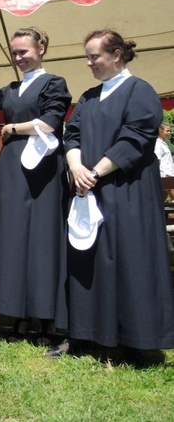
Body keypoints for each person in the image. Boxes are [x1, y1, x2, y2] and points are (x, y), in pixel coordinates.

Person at [49, 29, 174, 361]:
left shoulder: (140, 91)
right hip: (88, 192)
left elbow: (135, 138)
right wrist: (75, 165)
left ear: (117, 54)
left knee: (128, 261)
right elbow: (71, 134)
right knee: (86, 262)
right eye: (88, 57)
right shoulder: (89, 97)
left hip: (127, 193)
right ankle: (85, 335)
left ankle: (134, 340)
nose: (89, 63)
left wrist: (94, 172)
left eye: (95, 56)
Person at [0, 27, 72, 345]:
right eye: (15, 52)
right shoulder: (10, 90)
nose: (19, 57)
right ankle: (16, 315)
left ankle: (47, 319)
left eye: (24, 51)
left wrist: (11, 127)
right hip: (11, 170)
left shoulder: (54, 83)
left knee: (44, 240)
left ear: (42, 48)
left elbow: (51, 122)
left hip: (44, 168)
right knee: (13, 240)